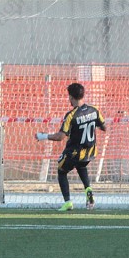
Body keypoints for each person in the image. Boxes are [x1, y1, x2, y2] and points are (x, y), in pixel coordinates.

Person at [35, 82, 106, 211]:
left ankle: (68, 202)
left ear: (71, 97)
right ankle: (88, 190)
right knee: (81, 165)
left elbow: (60, 137)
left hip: (74, 152)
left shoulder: (71, 115)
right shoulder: (94, 110)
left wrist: (43, 136)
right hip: (90, 151)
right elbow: (104, 127)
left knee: (61, 171)